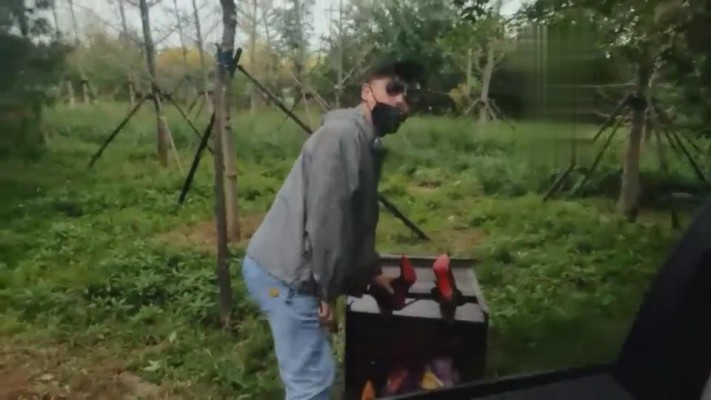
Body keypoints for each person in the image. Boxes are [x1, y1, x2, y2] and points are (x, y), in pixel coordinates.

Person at [241, 60, 423, 400]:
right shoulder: (341, 138)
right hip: (286, 276)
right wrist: (324, 292)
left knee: (313, 370)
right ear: (367, 92)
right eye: (393, 89)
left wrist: (369, 271)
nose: (400, 100)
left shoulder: (364, 141)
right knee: (311, 382)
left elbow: (359, 219)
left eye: (407, 95)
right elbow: (328, 220)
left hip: (290, 266)